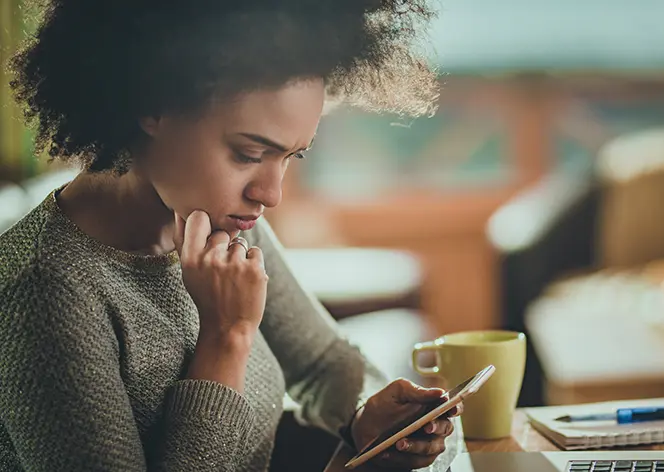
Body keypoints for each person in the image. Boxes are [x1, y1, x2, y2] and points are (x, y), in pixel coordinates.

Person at [0, 1, 459, 470]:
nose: (271, 193)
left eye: (291, 156)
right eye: (248, 153)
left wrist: (368, 416)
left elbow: (321, 362)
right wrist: (225, 339)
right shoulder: (43, 292)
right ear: (153, 105)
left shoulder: (223, 220)